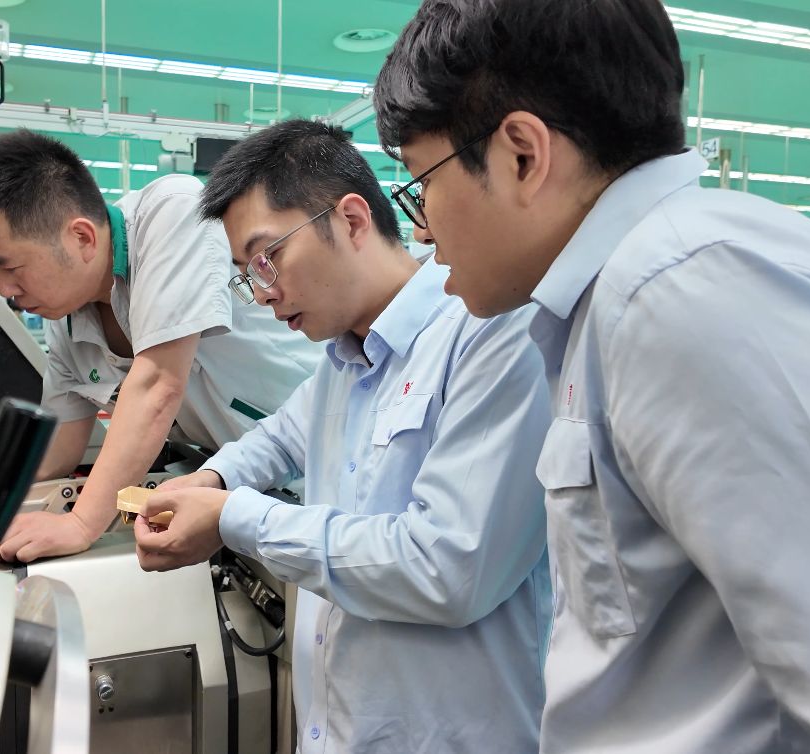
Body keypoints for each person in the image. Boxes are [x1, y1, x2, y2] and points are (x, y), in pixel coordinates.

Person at [372, 1, 810, 751]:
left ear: (522, 155)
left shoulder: (679, 294)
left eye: (420, 182)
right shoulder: (619, 299)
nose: (420, 227)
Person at [131, 119, 552, 753]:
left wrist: (233, 518)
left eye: (268, 258)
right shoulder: (342, 357)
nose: (264, 294)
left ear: (352, 220)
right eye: (247, 274)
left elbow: (447, 567)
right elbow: (280, 438)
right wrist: (211, 479)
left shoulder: (488, 331)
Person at [0, 130, 322, 560]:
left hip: (317, 471)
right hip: (241, 484)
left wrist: (81, 523)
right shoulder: (68, 322)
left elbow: (158, 385)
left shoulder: (171, 213)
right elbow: (55, 451)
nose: (6, 290)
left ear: (82, 238)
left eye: (10, 268)